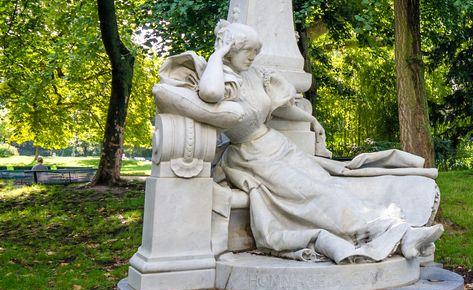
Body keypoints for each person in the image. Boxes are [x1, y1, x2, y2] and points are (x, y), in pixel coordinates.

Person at [156, 19, 442, 264]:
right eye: (248, 51)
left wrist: (310, 121)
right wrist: (218, 55)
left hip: (276, 146)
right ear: (232, 49)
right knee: (315, 195)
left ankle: (398, 230)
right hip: (250, 157)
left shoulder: (256, 75)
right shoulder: (225, 79)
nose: (253, 57)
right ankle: (392, 234)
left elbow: (278, 107)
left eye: (256, 51)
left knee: (328, 186)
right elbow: (209, 94)